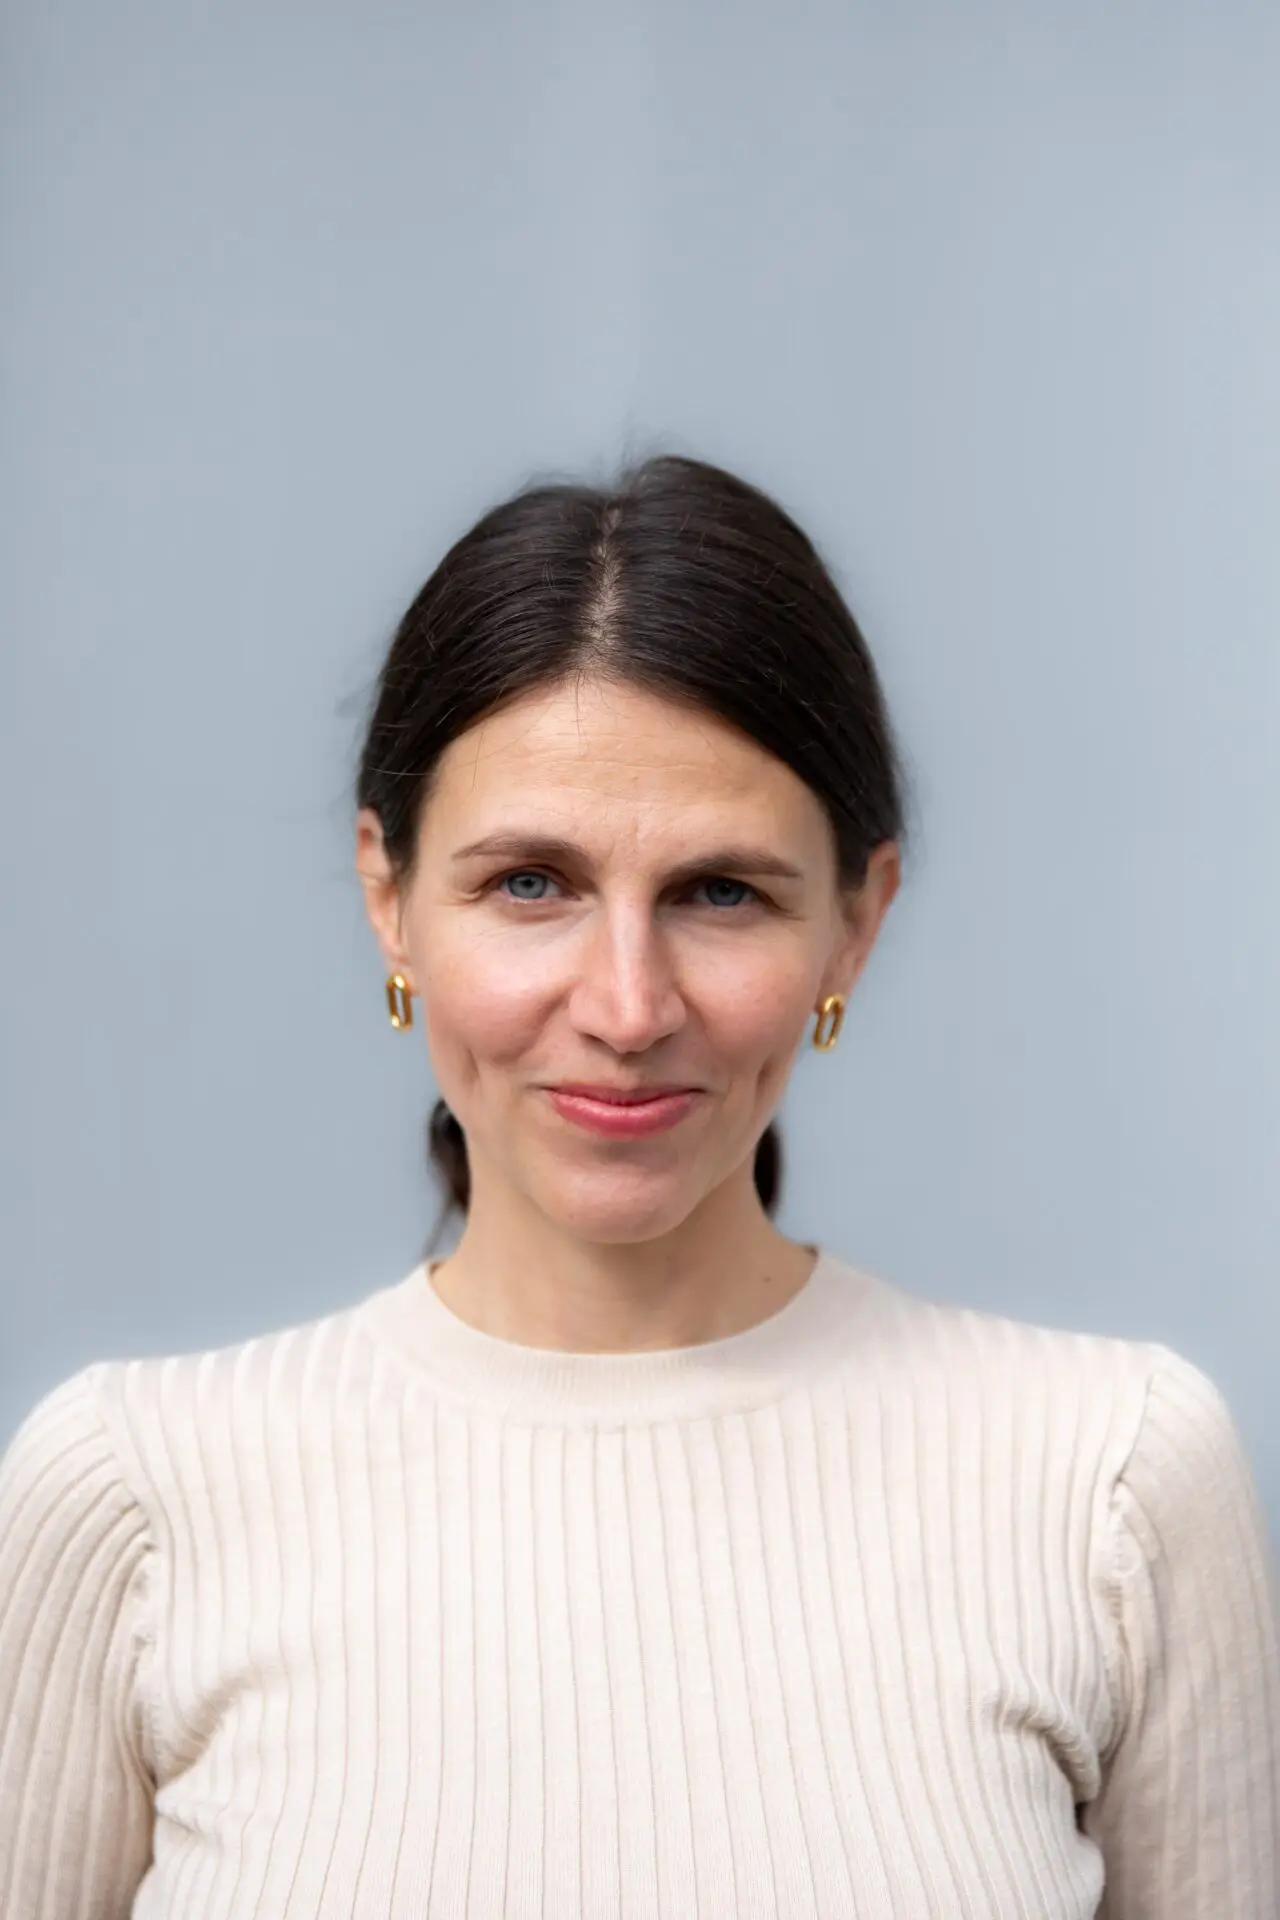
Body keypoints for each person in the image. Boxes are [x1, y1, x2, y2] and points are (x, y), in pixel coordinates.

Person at [0, 454, 1275, 1920]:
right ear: (387, 896)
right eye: (531, 883)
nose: (625, 1005)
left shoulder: (1112, 1480)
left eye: (721, 892)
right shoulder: (132, 1498)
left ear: (858, 924)